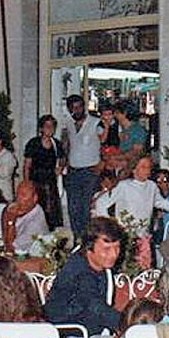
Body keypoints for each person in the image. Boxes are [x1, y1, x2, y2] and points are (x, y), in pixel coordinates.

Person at [43, 216, 123, 335]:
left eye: (117, 247)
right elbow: (95, 306)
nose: (113, 254)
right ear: (89, 248)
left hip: (88, 332)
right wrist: (129, 326)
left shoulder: (99, 264)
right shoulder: (78, 271)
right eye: (106, 249)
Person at [60, 94, 102, 239]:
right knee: (73, 209)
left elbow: (105, 143)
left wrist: (101, 165)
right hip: (73, 172)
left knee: (85, 209)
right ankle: (78, 239)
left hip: (90, 172)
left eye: (78, 107)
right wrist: (63, 163)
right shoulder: (69, 124)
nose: (76, 111)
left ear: (83, 107)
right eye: (72, 108)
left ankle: (87, 240)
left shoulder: (96, 123)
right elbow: (68, 145)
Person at [23, 115, 64, 230]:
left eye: (52, 126)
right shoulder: (33, 143)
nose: (50, 129)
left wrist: (60, 167)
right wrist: (26, 184)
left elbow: (62, 159)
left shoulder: (56, 144)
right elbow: (27, 166)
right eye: (47, 126)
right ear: (41, 128)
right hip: (36, 183)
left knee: (52, 214)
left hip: (50, 185)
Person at [2, 180, 48, 254]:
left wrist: (11, 222)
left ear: (35, 198)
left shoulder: (36, 223)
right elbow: (5, 240)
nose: (18, 198)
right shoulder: (14, 208)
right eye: (17, 194)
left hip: (31, 258)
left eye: (23, 195)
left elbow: (10, 248)